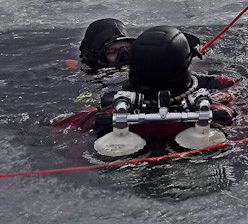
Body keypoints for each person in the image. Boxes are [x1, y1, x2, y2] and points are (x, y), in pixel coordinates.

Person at [55, 25, 238, 139]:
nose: (122, 57)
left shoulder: (101, 113)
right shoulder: (221, 106)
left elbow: (57, 126)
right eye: (112, 51)